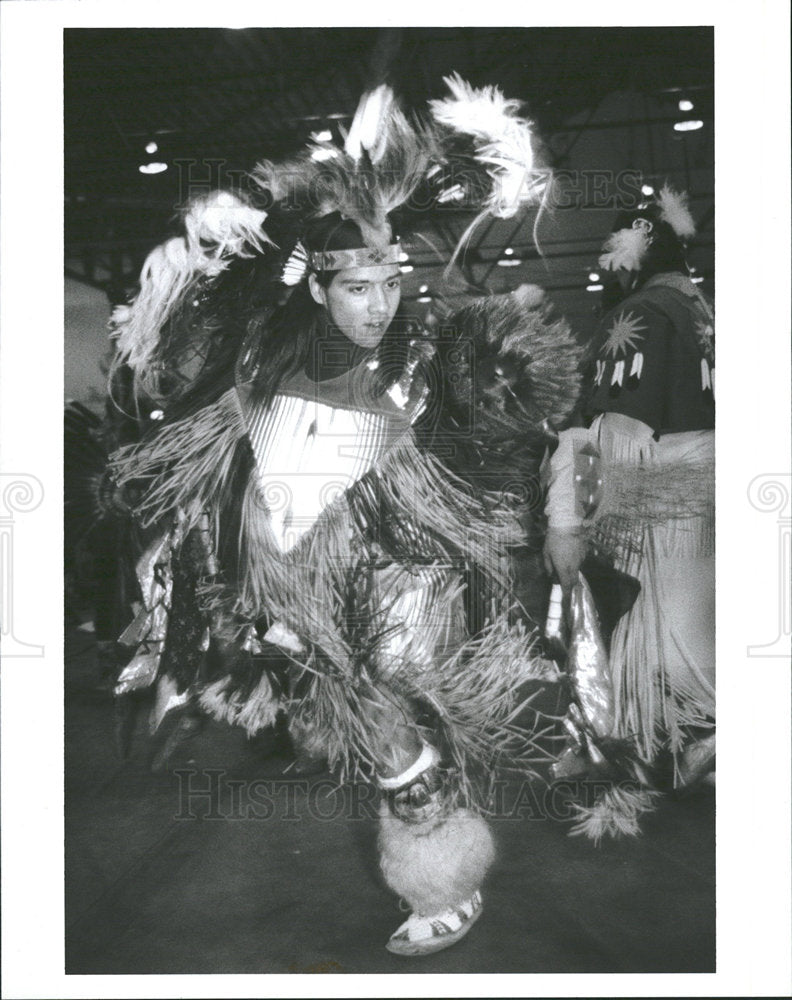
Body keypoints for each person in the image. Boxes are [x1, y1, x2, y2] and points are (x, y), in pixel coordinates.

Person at [105, 79, 584, 955]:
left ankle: (446, 877)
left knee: (382, 714)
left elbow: (467, 451)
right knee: (355, 713)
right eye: (359, 286)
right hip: (288, 588)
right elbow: (210, 432)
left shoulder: (410, 368)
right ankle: (436, 846)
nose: (381, 303)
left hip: (381, 581)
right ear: (319, 288)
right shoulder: (264, 363)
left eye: (391, 283)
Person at [544, 184, 715, 839]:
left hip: (659, 519)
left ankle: (671, 743)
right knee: (698, 639)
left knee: (646, 643)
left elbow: (604, 438)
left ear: (630, 257)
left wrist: (573, 521)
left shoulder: (638, 315)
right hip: (712, 511)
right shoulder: (702, 310)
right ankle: (678, 743)